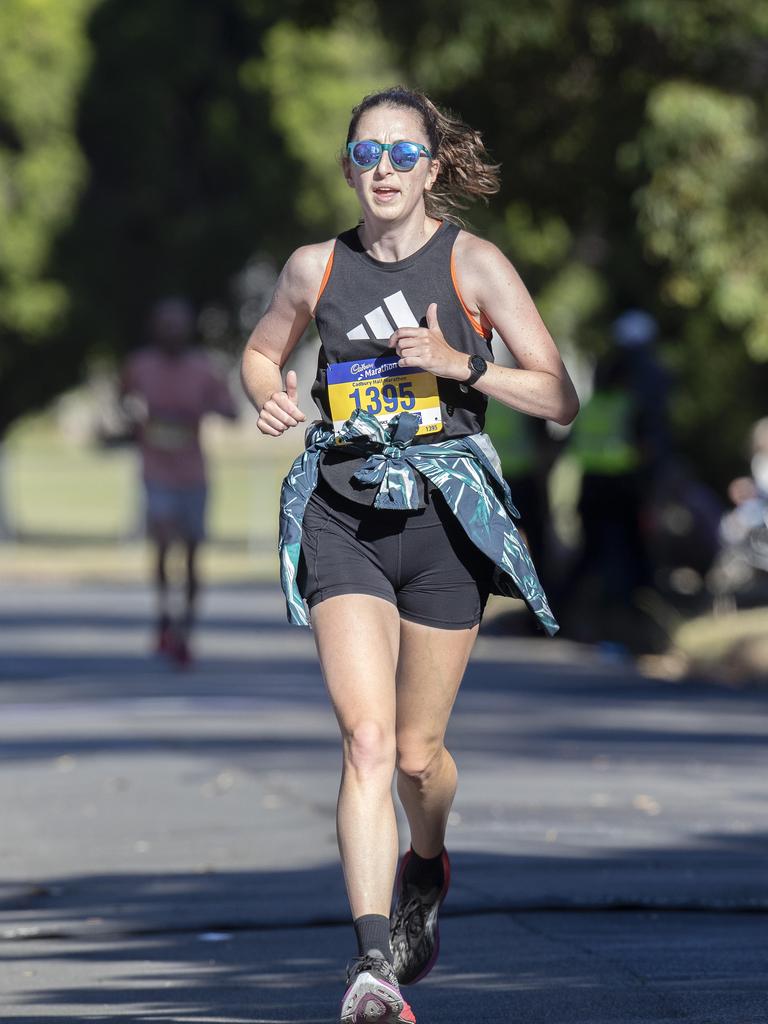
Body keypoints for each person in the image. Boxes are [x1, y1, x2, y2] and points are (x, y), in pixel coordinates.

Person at [241, 86, 578, 1024]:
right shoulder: (315, 267)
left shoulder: (474, 266)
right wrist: (269, 389)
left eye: (400, 154)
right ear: (347, 165)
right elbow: (263, 351)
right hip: (341, 515)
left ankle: (425, 858)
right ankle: (369, 965)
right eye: (364, 154)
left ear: (433, 168)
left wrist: (460, 363)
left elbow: (558, 398)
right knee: (367, 741)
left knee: (420, 758)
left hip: (442, 529)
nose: (382, 170)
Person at [121, 297, 238, 665]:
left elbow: (231, 411)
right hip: (155, 471)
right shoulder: (140, 365)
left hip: (192, 473)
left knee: (189, 553)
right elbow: (121, 400)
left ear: (188, 329)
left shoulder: (203, 368)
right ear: (154, 328)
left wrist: (200, 408)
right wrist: (136, 420)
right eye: (164, 324)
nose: (171, 331)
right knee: (160, 543)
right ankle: (162, 620)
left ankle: (186, 629)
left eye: (178, 324)